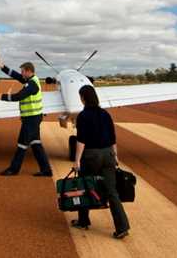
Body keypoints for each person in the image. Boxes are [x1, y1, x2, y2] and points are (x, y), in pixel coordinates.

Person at [72, 85, 130, 239]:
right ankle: (122, 227)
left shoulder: (83, 116)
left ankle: (83, 221)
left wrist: (77, 160)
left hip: (91, 156)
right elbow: (112, 138)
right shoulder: (105, 114)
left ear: (83, 98)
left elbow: (81, 140)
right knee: (112, 192)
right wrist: (115, 155)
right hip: (108, 154)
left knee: (85, 186)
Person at [0, 61, 53, 177]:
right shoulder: (31, 80)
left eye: (23, 71)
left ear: (28, 71)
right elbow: (16, 76)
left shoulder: (32, 84)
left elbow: (19, 96)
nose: (21, 74)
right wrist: (3, 67)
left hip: (31, 119)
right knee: (36, 144)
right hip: (33, 118)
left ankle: (14, 169)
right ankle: (46, 170)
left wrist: (2, 96)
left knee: (22, 145)